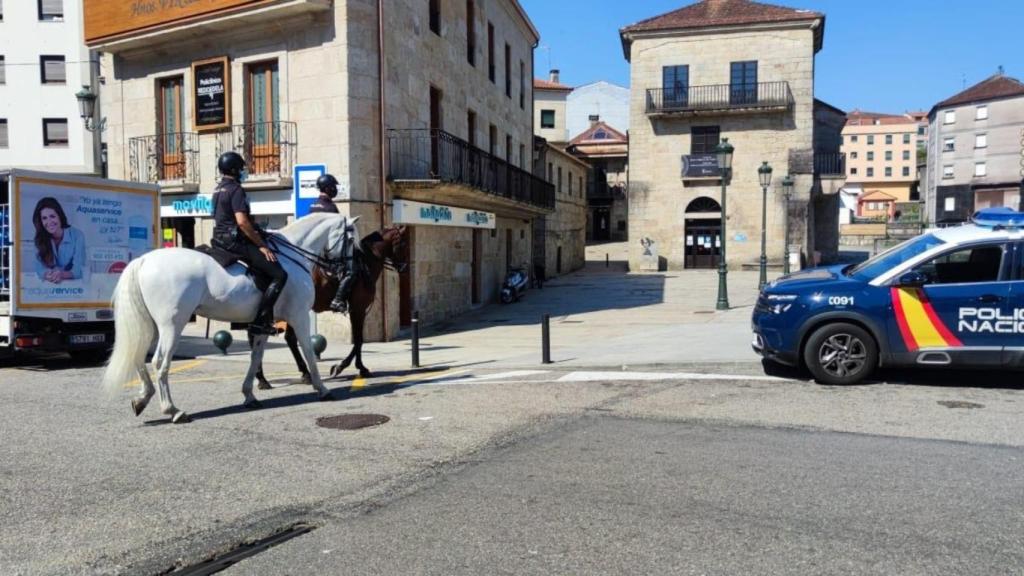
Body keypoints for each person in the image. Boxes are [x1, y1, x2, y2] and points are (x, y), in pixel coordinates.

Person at [211, 151, 287, 336]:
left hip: (219, 240)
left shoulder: (217, 189)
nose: (244, 172)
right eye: (242, 169)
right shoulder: (236, 189)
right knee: (279, 275)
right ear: (235, 169)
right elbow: (242, 221)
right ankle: (262, 321)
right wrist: (261, 244)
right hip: (235, 241)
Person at [32, 197, 86, 284]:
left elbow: (78, 270)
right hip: (49, 286)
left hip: (73, 285)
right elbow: (39, 269)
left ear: (59, 216)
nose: (49, 222)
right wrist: (47, 274)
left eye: (52, 216)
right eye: (44, 218)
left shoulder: (77, 236)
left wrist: (62, 274)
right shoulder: (39, 239)